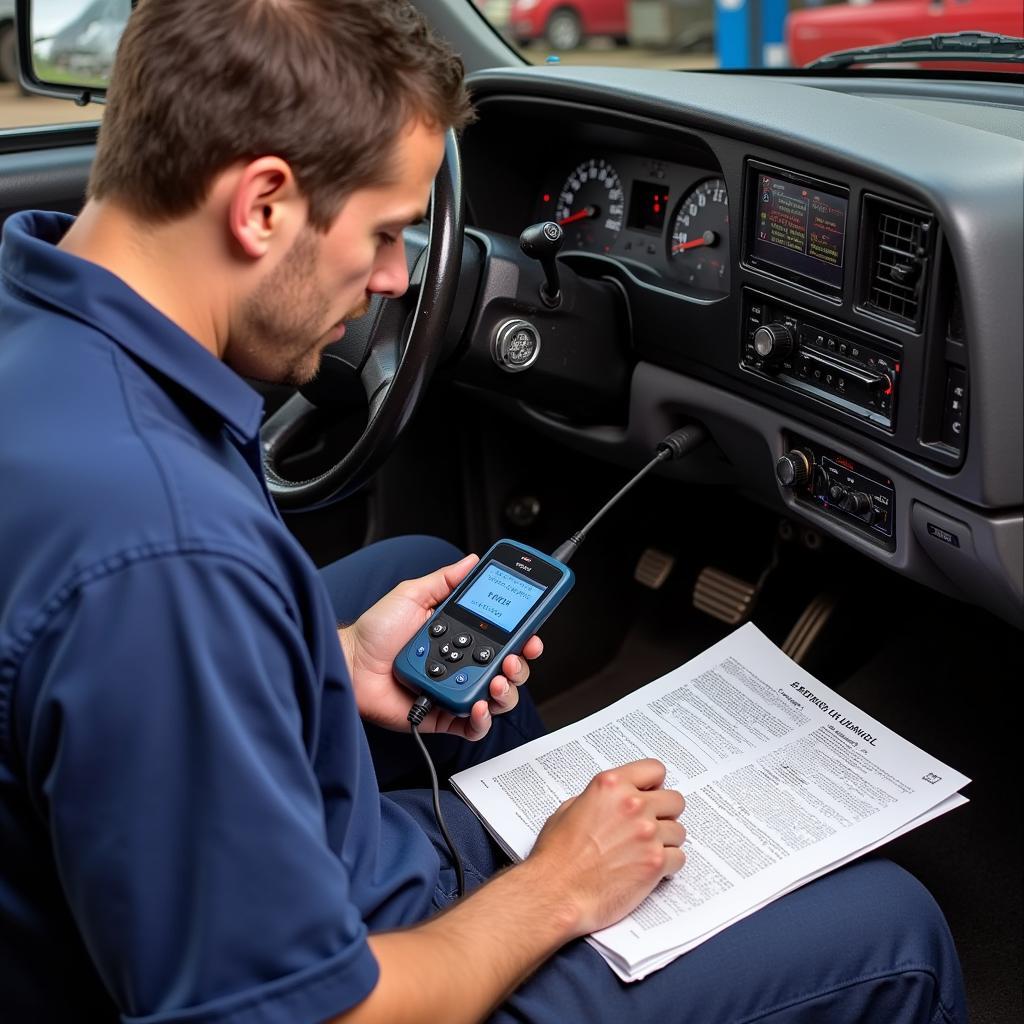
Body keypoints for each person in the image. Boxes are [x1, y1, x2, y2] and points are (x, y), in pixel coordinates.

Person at [0, 1, 967, 1022]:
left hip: (152, 886)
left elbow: (114, 673)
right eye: (381, 233)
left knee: (408, 564)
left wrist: (324, 664)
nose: (390, 279)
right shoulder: (163, 552)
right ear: (264, 205)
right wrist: (556, 887)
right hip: (337, 983)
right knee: (891, 930)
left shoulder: (46, 321)